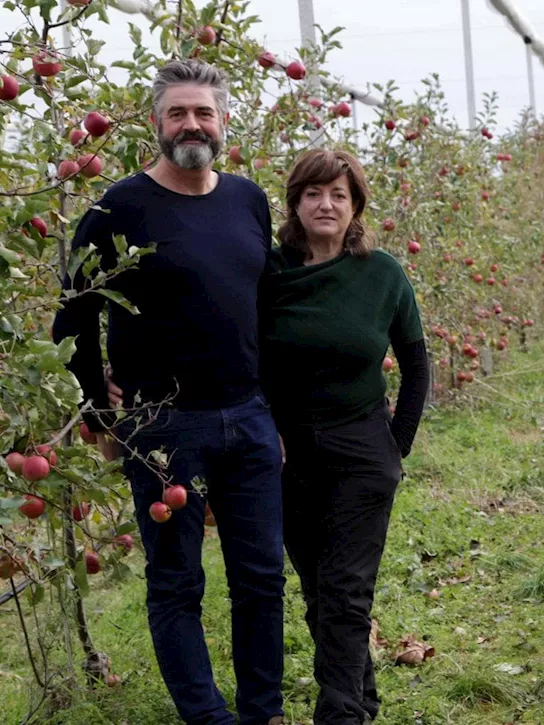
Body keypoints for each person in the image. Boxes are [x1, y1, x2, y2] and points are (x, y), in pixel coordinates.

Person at [51, 59, 287, 725]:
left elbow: (261, 307)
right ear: (156, 123)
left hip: (248, 415)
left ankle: (263, 709)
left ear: (224, 123)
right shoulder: (116, 206)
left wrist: (278, 410)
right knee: (178, 579)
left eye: (203, 112)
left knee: (261, 576)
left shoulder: (249, 199)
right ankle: (207, 716)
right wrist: (99, 406)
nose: (192, 123)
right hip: (162, 427)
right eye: (178, 112)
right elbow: (74, 313)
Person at [258, 148, 430, 725]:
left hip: (361, 448)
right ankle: (363, 697)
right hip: (285, 452)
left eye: (338, 194)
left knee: (347, 588)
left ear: (355, 205)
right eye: (313, 193)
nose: (325, 204)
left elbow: (416, 362)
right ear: (295, 203)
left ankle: (339, 715)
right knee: (316, 588)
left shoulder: (382, 274)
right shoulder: (267, 273)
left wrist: (395, 443)